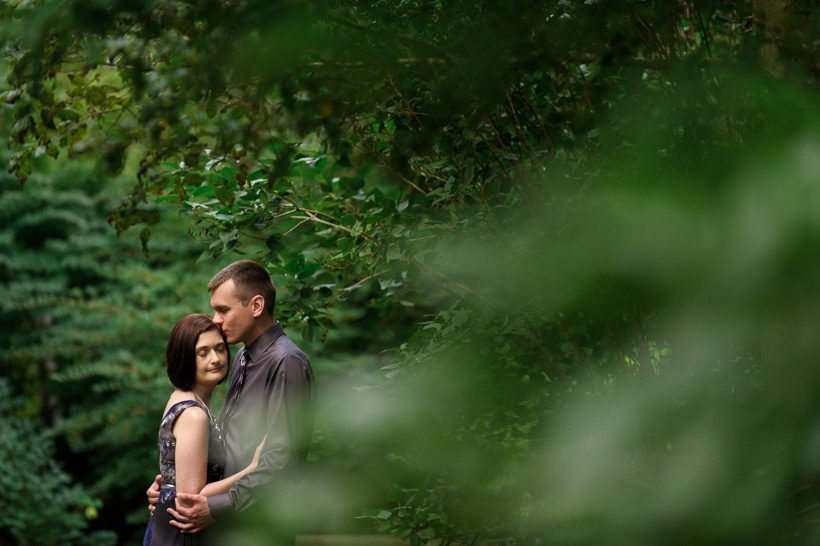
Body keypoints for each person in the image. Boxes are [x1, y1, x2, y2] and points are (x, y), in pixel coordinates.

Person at [146, 260, 315, 537]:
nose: (215, 319)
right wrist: (171, 490)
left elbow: (282, 460)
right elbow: (228, 445)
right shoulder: (241, 356)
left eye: (223, 309)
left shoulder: (286, 362)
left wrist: (216, 507)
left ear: (257, 306)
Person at [144, 313, 265, 546]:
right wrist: (253, 469)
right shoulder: (194, 415)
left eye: (220, 349)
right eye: (203, 353)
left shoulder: (183, 398)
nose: (216, 359)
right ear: (185, 358)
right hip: (181, 533)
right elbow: (190, 496)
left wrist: (165, 490)